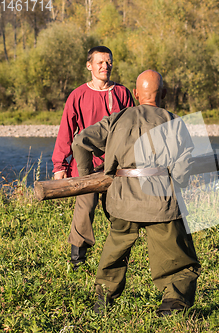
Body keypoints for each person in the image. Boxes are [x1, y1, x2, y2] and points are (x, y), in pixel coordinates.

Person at [72, 70, 201, 316]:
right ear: (163, 94)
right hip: (161, 202)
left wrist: (89, 176)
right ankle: (173, 304)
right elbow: (183, 170)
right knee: (177, 254)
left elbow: (80, 142)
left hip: (122, 200)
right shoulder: (175, 122)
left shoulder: (117, 119)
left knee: (116, 247)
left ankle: (104, 300)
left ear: (135, 93)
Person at [52, 46, 135, 270]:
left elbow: (132, 129)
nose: (104, 66)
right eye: (99, 62)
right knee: (85, 209)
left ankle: (119, 255)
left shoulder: (123, 93)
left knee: (118, 211)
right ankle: (78, 260)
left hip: (116, 165)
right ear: (89, 66)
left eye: (108, 62)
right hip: (86, 166)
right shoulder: (77, 95)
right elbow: (66, 132)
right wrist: (60, 165)